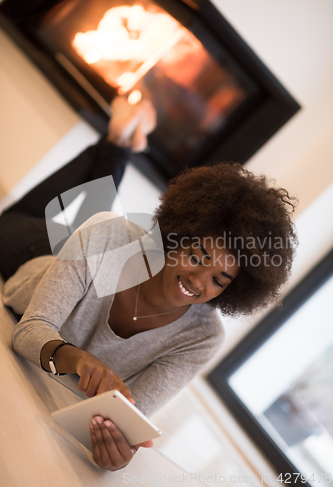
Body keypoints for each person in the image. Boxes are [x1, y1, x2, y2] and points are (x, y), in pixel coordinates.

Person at [0, 97, 298, 472]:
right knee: (37, 216)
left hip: (97, 243)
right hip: (30, 254)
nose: (198, 281)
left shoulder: (202, 337)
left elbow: (126, 418)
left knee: (93, 215)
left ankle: (119, 139)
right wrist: (75, 357)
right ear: (178, 236)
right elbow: (29, 331)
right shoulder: (109, 236)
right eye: (199, 256)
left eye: (220, 279)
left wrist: (118, 445)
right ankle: (116, 141)